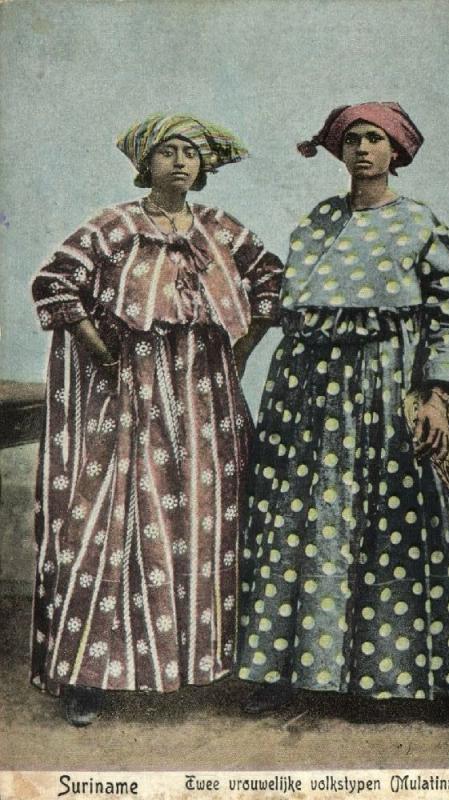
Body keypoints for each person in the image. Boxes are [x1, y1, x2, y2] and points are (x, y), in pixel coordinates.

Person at [30, 113, 283, 725]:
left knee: (202, 523)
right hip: (131, 401)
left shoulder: (221, 229)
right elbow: (55, 283)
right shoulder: (115, 225)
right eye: (168, 152)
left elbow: (271, 283)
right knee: (115, 519)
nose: (180, 162)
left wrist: (240, 350)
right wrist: (101, 350)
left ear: (204, 166)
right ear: (147, 162)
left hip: (205, 405)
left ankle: (197, 667)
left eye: (191, 153)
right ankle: (89, 678)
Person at [237, 102, 449, 713]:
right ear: (338, 152)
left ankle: (386, 681)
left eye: (375, 139)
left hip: (384, 387)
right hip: (306, 393)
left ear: (397, 151)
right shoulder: (317, 220)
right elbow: (287, 303)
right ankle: (286, 674)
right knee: (299, 517)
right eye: (351, 140)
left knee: (384, 522)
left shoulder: (422, 224)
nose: (362, 150)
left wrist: (437, 396)